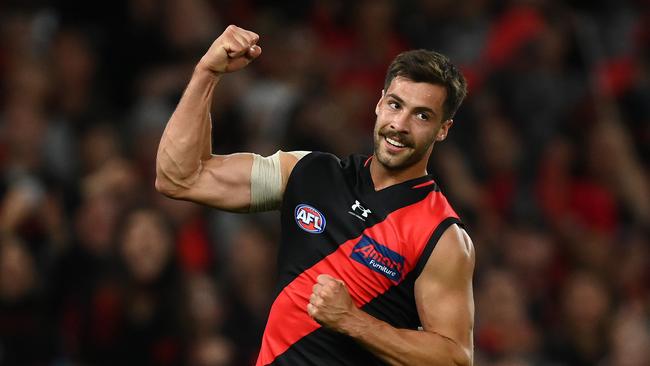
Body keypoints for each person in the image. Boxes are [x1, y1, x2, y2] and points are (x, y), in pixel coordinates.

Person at [156, 25, 475, 366]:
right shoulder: (308, 174)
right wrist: (207, 72)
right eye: (396, 105)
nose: (400, 124)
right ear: (379, 104)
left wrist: (352, 321)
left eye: (422, 116)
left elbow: (455, 357)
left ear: (443, 129)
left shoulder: (442, 236)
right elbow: (180, 177)